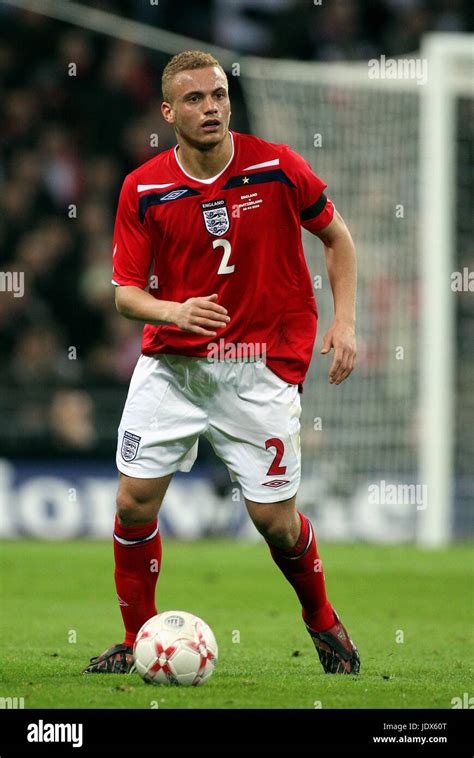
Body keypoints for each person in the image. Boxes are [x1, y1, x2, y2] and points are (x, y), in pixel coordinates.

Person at [83, 50, 359, 676]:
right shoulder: (144, 187)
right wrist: (173, 312)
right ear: (168, 111)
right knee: (132, 504)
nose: (210, 108)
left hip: (258, 367)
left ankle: (323, 622)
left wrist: (344, 322)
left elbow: (337, 237)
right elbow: (126, 294)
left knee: (276, 524)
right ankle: (135, 639)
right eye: (194, 99)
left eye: (217, 96)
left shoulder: (279, 167)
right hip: (174, 367)